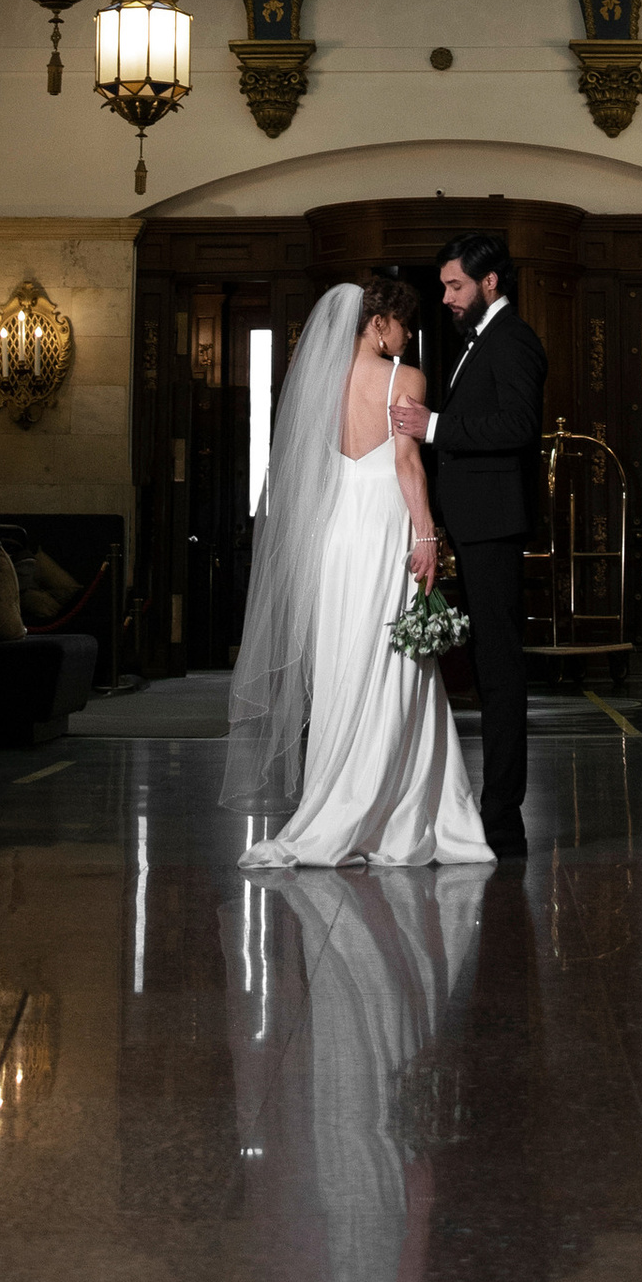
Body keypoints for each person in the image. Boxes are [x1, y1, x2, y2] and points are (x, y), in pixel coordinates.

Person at [226, 272, 492, 870]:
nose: (408, 336)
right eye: (402, 325)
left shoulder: (322, 384)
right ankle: (391, 809)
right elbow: (406, 464)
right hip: (383, 526)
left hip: (337, 532)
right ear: (377, 324)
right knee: (397, 659)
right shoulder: (405, 378)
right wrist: (427, 533)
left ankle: (334, 798)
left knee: (346, 656)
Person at [393, 231, 543, 861]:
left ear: (491, 284)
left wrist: (434, 426)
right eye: (445, 287)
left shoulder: (513, 339)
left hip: (494, 526)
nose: (447, 298)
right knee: (486, 667)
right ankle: (488, 812)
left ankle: (504, 821)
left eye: (457, 286)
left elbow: (519, 425)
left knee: (500, 671)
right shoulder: (474, 341)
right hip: (471, 523)